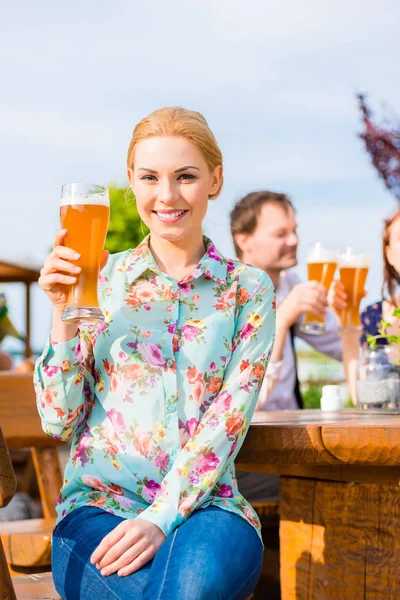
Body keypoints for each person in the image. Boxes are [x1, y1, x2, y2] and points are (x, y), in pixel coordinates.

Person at [34, 107, 276, 600]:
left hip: (210, 508)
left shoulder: (247, 290)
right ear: (131, 182)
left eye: (185, 176)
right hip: (98, 508)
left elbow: (227, 422)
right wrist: (61, 313)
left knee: (188, 589)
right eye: (150, 177)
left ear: (215, 179)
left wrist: (159, 519)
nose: (167, 195)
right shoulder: (98, 280)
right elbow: (59, 421)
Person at [230, 191, 342, 411]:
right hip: (249, 435)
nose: (294, 240)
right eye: (281, 234)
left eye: (294, 231)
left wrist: (344, 313)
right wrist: (282, 317)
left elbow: (340, 345)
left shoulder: (290, 283)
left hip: (291, 430)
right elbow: (243, 402)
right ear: (244, 241)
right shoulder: (225, 295)